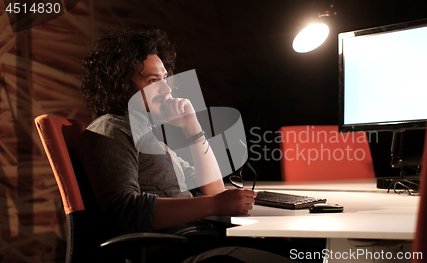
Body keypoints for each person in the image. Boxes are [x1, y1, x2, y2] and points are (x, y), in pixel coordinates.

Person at [78, 29, 299, 262]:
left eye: (165, 79)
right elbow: (126, 211)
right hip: (178, 251)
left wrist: (192, 129)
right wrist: (213, 204)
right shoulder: (110, 130)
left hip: (199, 240)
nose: (167, 89)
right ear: (121, 87)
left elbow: (213, 190)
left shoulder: (151, 138)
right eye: (153, 80)